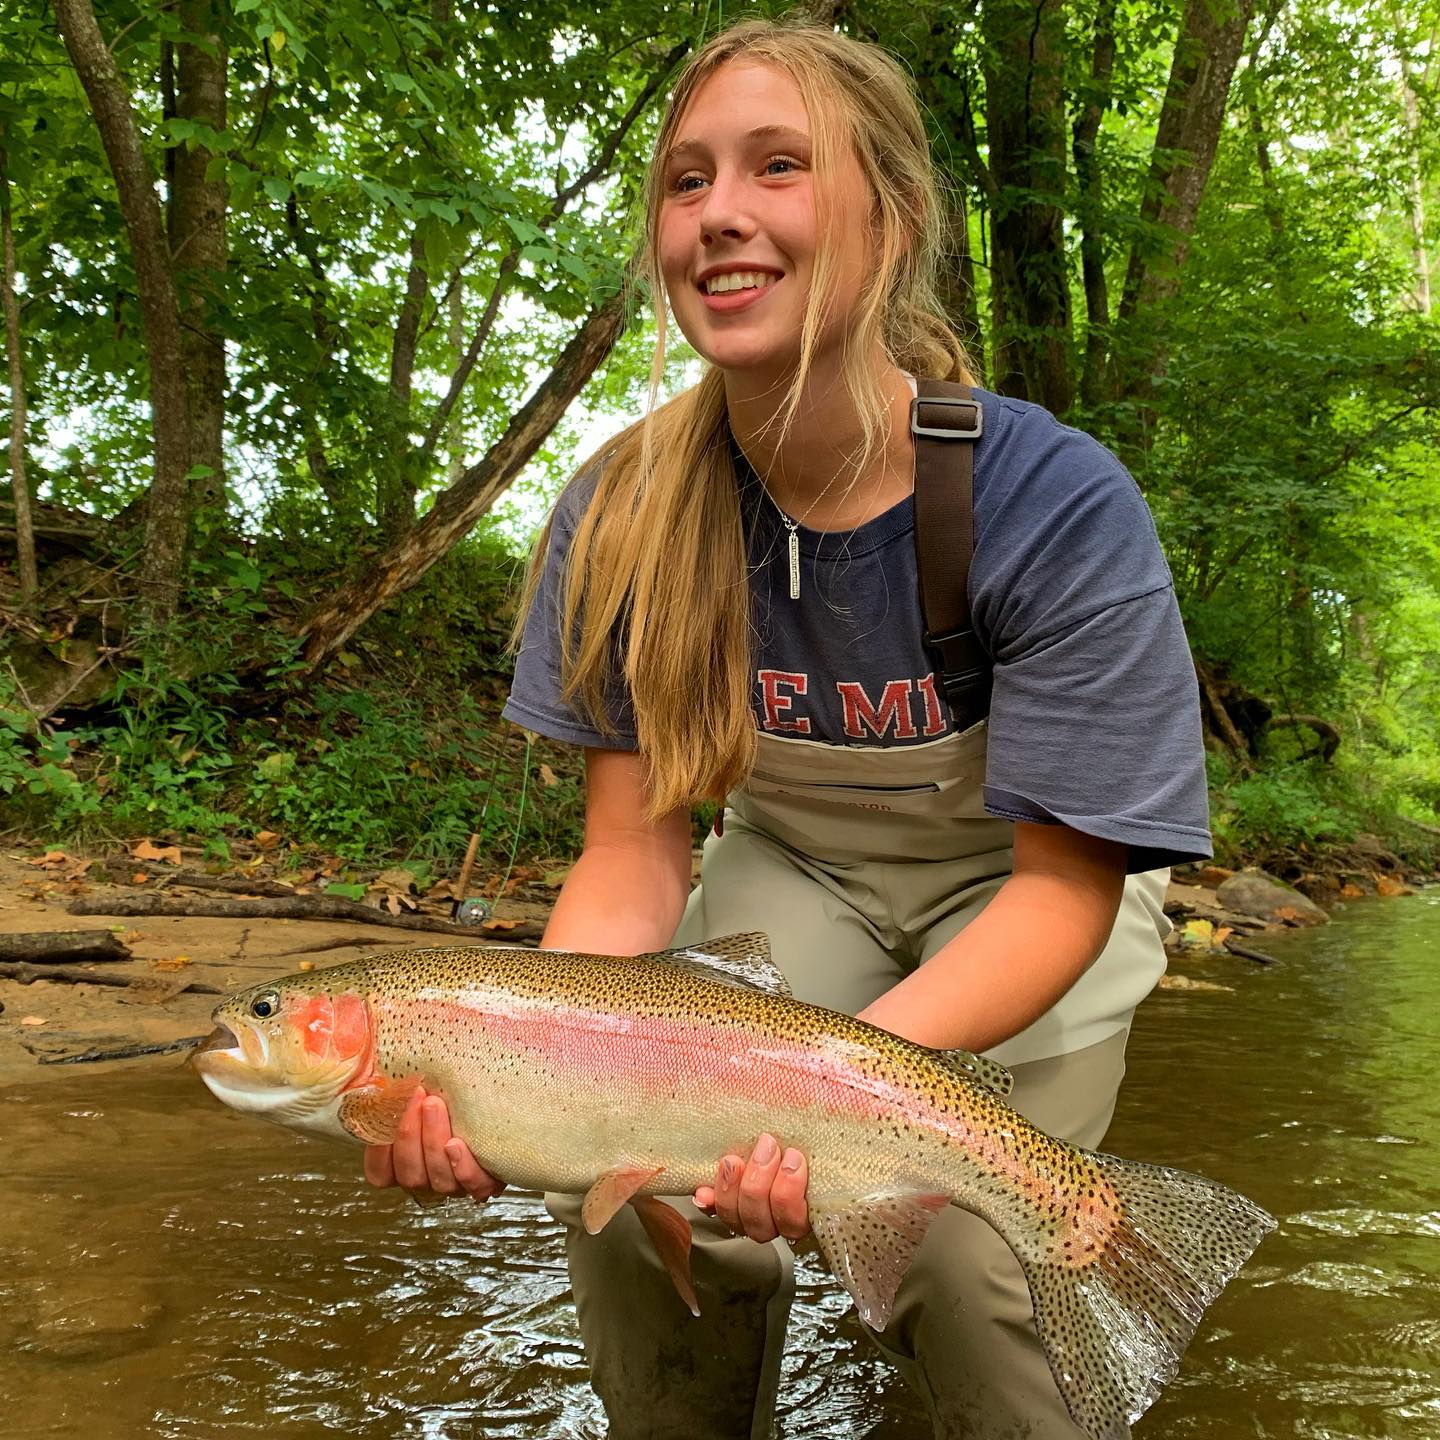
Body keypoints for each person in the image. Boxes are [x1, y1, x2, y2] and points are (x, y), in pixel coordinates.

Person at [362, 16, 1212, 1439]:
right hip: (797, 868)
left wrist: (821, 1110)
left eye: (777, 167)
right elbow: (632, 862)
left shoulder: (1052, 501)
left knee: (967, 1236)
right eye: (687, 181)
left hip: (1024, 890)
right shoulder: (622, 509)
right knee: (619, 1195)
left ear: (891, 217)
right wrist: (529, 1084)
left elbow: (1067, 888)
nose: (722, 216)